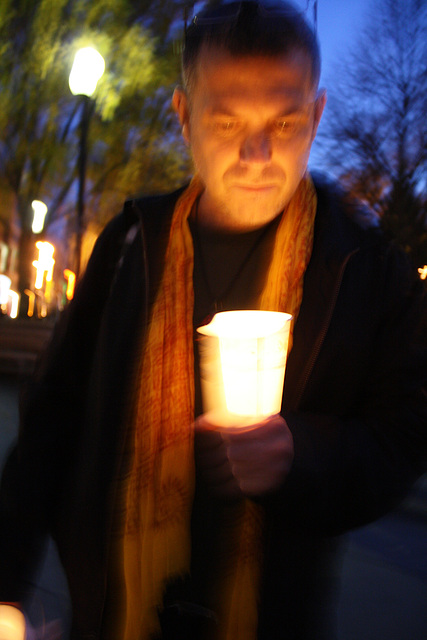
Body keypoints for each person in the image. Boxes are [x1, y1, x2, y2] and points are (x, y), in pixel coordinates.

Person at [1, 1, 426, 639]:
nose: (257, 153)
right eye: (228, 120)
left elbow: (405, 430)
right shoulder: (129, 244)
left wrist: (301, 453)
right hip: (115, 610)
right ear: (183, 116)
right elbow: (51, 421)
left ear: (316, 116)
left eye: (284, 122)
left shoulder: (363, 268)